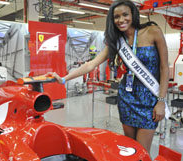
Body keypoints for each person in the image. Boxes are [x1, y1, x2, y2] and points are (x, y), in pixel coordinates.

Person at [47, 0, 169, 155]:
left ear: (133, 14)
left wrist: (161, 101)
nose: (121, 20)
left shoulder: (153, 31)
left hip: (150, 99)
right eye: (116, 17)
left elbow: (164, 68)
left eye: (125, 15)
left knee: (142, 152)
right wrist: (64, 78)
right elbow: (91, 65)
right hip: (128, 98)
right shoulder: (117, 41)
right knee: (130, 149)